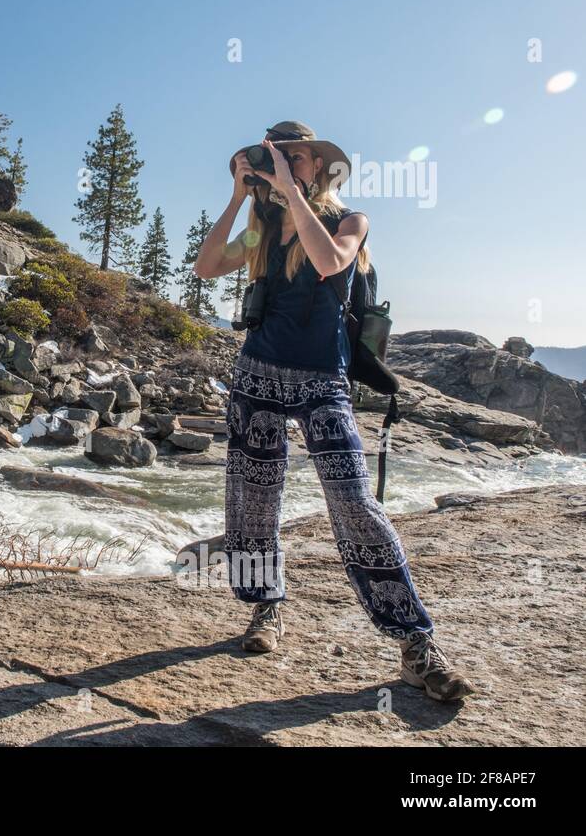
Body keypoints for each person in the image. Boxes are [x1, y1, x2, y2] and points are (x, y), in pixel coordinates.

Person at [192, 121, 475, 703]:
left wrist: (289, 193)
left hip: (324, 382)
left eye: (292, 157)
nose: (282, 165)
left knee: (354, 504)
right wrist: (240, 195)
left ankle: (415, 643)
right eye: (274, 157)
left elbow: (327, 264)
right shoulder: (263, 233)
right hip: (258, 375)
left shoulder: (350, 222)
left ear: (317, 166)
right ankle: (266, 609)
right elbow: (207, 266)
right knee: (252, 503)